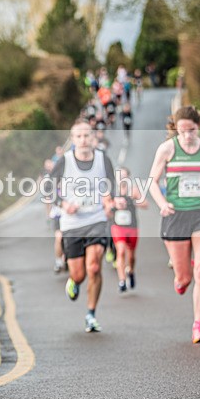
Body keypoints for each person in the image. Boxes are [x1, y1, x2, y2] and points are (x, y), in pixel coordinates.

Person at [148, 106, 200, 344]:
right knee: (185, 279)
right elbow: (152, 181)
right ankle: (181, 277)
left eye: (191, 130)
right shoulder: (168, 148)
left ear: (198, 126)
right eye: (182, 130)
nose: (187, 135)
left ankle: (198, 325)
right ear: (176, 128)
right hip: (176, 214)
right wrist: (162, 203)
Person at [49, 120, 117, 333]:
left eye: (86, 135)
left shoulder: (102, 159)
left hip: (96, 220)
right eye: (78, 136)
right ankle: (74, 280)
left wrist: (109, 202)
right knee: (79, 273)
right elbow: (49, 190)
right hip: (72, 224)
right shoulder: (64, 161)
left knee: (95, 267)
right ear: (73, 139)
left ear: (93, 137)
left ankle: (91, 314)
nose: (83, 140)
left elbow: (110, 186)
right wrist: (64, 204)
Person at [111, 167, 148, 291]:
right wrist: (114, 204)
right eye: (119, 176)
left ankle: (130, 272)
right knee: (120, 251)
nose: (121, 178)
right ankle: (122, 281)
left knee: (131, 255)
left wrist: (132, 202)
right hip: (117, 227)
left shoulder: (134, 190)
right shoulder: (112, 191)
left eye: (124, 176)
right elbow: (104, 207)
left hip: (132, 227)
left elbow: (145, 204)